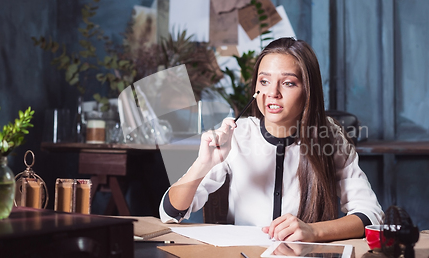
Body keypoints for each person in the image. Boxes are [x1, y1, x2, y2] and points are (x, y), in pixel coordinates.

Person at [159, 37, 383, 242]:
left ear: (308, 90)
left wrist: (314, 231)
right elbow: (170, 213)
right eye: (264, 81)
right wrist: (203, 164)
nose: (272, 93)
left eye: (288, 83)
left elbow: (371, 215)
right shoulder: (235, 135)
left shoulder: (329, 135)